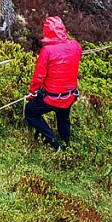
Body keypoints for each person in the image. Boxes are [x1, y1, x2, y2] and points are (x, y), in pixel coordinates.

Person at [25, 16, 83, 151]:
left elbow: (39, 77)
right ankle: (67, 145)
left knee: (30, 112)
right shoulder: (75, 46)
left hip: (51, 98)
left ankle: (54, 143)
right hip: (70, 96)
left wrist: (32, 94)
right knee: (63, 117)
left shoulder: (47, 51)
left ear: (47, 32)